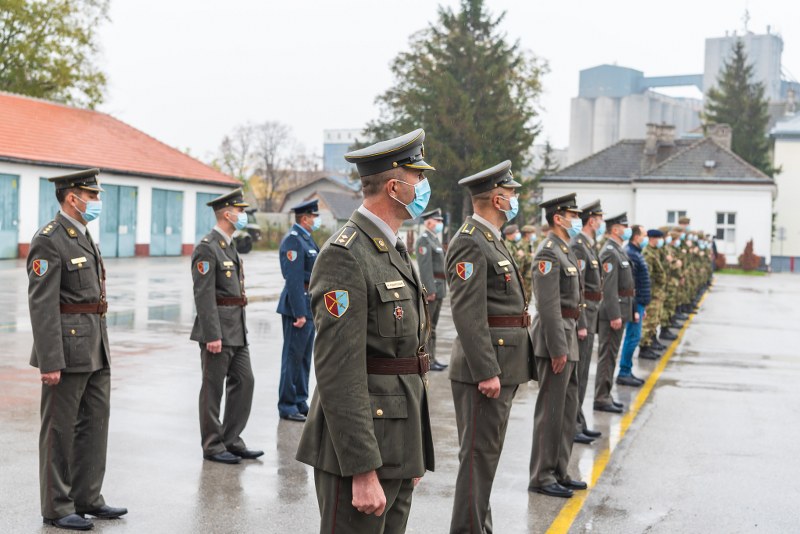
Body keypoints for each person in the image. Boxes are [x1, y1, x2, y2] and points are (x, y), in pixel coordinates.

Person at [296, 129, 435, 533]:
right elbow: (339, 372)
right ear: (395, 187)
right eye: (417, 178)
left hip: (397, 440)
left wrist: (414, 448)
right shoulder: (345, 254)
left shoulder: (392, 247)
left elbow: (406, 358)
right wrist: (362, 469)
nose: (423, 186)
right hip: (363, 450)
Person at [28, 168, 127, 530]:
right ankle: (56, 506)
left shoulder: (85, 236)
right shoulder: (50, 239)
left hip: (95, 346)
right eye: (93, 196)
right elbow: (42, 305)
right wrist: (49, 360)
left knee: (94, 424)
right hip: (67, 351)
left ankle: (87, 497)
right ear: (73, 197)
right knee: (59, 428)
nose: (97, 202)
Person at [446, 161, 534, 531]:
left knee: (486, 458)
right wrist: (486, 370)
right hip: (486, 368)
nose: (515, 199)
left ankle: (479, 526)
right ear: (497, 199)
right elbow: (468, 314)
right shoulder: (470, 240)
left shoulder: (490, 238)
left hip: (502, 363)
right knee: (478, 458)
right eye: (511, 194)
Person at [190, 188, 262, 464]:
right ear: (227, 213)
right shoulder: (207, 248)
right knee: (212, 389)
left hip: (237, 330)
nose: (243, 215)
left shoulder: (229, 245)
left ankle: (231, 439)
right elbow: (203, 295)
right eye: (240, 211)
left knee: (245, 381)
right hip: (218, 332)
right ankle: (212, 444)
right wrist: (212, 334)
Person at [529, 193, 587, 499]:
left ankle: (560, 470)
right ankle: (542, 474)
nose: (576, 221)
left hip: (568, 333)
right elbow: (548, 305)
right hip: (556, 338)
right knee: (551, 412)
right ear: (558, 218)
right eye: (573, 215)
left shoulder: (564, 250)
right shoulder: (548, 253)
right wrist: (557, 348)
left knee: (567, 410)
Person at [276, 199, 321, 421]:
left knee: (303, 357)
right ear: (304, 218)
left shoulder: (306, 239)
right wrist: (299, 312)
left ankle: (300, 400)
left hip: (308, 303)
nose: (316, 220)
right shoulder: (293, 241)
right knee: (292, 357)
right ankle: (287, 404)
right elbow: (293, 279)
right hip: (298, 306)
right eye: (314, 216)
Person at [570, 199, 605, 444]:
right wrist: (581, 321)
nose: (601, 223)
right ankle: (573, 424)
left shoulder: (588, 245)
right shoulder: (579, 246)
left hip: (591, 313)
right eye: (600, 219)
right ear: (592, 220)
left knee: (583, 374)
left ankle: (578, 419)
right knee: (579, 374)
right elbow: (578, 288)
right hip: (585, 315)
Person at [594, 213, 636, 413]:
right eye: (623, 226)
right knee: (607, 356)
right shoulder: (610, 252)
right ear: (615, 229)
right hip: (613, 312)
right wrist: (614, 314)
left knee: (612, 355)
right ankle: (601, 397)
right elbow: (608, 288)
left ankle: (606, 394)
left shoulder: (618, 250)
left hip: (621, 309)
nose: (626, 229)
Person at [414, 208, 448, 371]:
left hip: (439, 287)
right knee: (429, 327)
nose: (440, 224)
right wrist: (430, 289)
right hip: (433, 288)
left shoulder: (434, 239)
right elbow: (425, 268)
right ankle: (428, 359)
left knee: (433, 326)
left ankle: (433, 358)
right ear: (428, 222)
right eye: (438, 221)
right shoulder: (424, 240)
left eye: (441, 221)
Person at [617, 225, 650, 387]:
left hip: (639, 304)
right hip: (635, 304)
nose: (646, 238)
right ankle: (624, 372)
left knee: (634, 338)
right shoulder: (631, 254)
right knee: (632, 338)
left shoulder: (636, 253)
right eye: (644, 235)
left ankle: (627, 370)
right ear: (636, 237)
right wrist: (635, 307)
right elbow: (632, 284)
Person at [639, 229, 666, 359]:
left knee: (654, 320)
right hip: (652, 292)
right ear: (653, 238)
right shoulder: (648, 254)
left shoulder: (654, 251)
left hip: (657, 292)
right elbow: (647, 276)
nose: (660, 240)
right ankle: (644, 347)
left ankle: (649, 343)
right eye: (658, 238)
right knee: (649, 321)